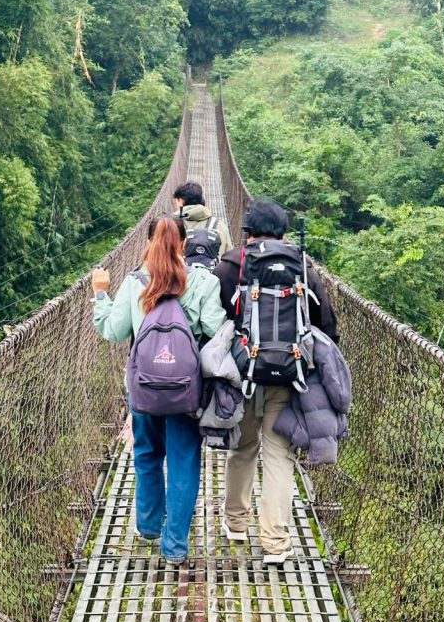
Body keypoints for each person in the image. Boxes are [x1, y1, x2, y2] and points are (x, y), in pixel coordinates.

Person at [91, 215, 226, 564]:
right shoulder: (202, 281)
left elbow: (113, 331)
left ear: (147, 244)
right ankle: (175, 546)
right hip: (186, 391)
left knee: (148, 453)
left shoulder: (135, 282)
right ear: (182, 245)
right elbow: (215, 329)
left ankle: (149, 525)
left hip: (144, 389)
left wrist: (100, 294)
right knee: (183, 460)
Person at [213, 198, 340, 565]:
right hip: (289, 372)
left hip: (241, 373)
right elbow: (325, 325)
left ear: (247, 232)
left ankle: (236, 523)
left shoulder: (231, 265)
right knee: (278, 453)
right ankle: (275, 542)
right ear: (285, 233)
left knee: (243, 445)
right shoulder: (302, 266)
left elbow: (214, 320)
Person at [173, 181, 233, 262]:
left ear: (180, 201)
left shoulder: (170, 225)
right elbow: (229, 256)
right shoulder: (219, 225)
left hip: (179, 274)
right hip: (213, 274)